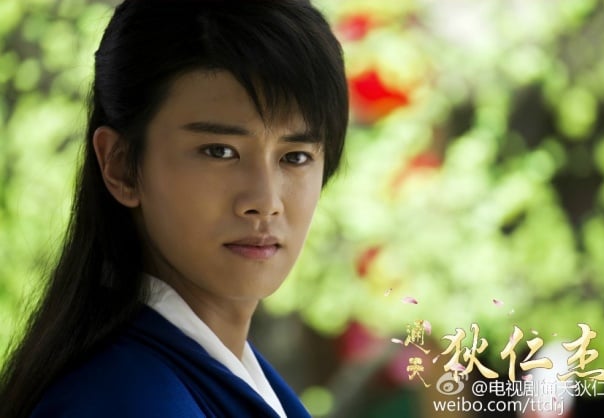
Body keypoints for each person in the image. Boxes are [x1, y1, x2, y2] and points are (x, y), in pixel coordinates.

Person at [0, 0, 348, 416]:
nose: (265, 202)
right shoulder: (125, 401)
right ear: (121, 166)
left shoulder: (217, 378)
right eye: (219, 151)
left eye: (295, 157)